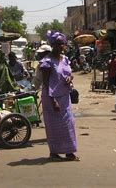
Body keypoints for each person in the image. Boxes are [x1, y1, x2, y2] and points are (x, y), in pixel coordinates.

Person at [40, 31, 78, 162]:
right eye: (59, 44)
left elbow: (69, 73)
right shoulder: (47, 61)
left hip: (64, 96)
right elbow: (45, 82)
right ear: (53, 45)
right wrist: (52, 100)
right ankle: (54, 152)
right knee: (54, 126)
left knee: (68, 123)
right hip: (52, 98)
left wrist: (69, 78)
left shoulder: (65, 59)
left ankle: (69, 152)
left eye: (63, 44)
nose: (62, 46)